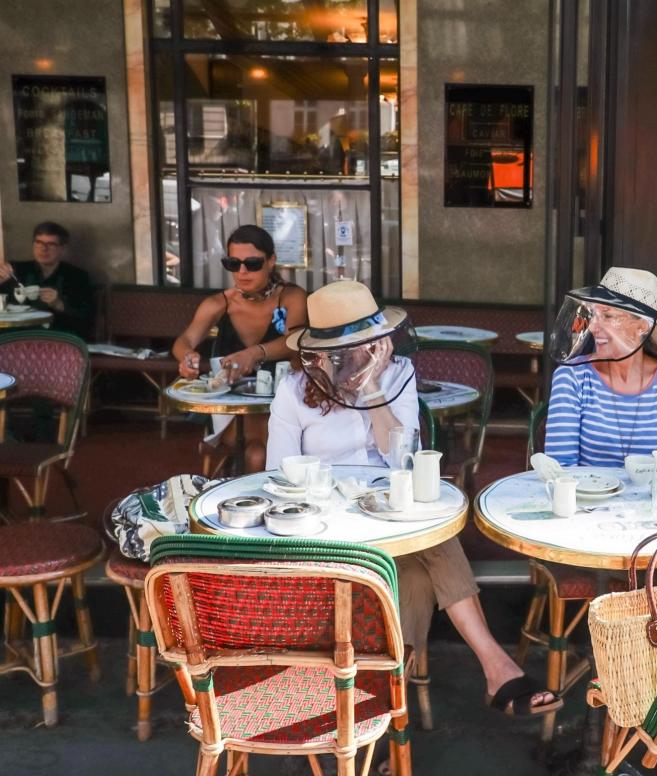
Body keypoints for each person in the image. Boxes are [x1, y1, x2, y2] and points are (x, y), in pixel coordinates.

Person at [267, 280, 559, 720]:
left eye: (368, 344)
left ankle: (378, 704)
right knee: (419, 577)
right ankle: (475, 673)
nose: (362, 354)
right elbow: (278, 473)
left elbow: (399, 456)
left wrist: (370, 390)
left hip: (388, 512)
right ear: (322, 352)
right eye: (350, 348)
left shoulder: (397, 374)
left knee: (426, 551)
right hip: (328, 524)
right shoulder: (293, 390)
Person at [172, 225, 308, 472]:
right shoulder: (219, 302)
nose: (242, 272)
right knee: (256, 453)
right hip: (231, 409)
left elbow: (296, 340)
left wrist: (254, 353)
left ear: (271, 261)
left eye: (252, 263)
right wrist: (187, 357)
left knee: (258, 454)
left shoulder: (291, 297)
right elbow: (184, 341)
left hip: (282, 402)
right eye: (233, 264)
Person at [545, 267, 657, 466]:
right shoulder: (572, 377)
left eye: (608, 316)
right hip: (583, 496)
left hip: (650, 496)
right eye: (593, 315)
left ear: (642, 327)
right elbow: (559, 468)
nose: (593, 327)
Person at [0, 222, 95, 339]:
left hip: (59, 337)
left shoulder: (78, 277)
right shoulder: (16, 270)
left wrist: (59, 304)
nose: (43, 249)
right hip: (18, 337)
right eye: (38, 243)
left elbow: (87, 320)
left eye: (51, 244)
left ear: (63, 249)